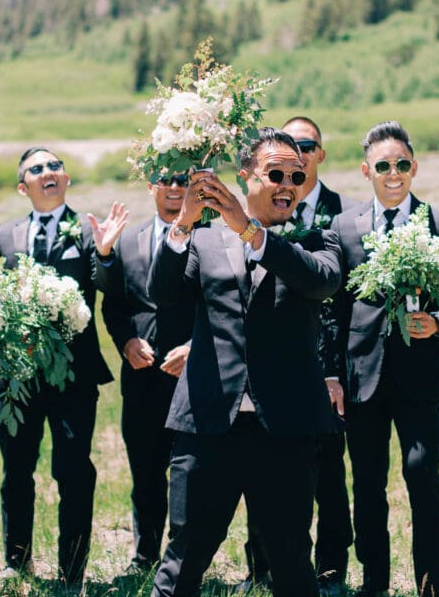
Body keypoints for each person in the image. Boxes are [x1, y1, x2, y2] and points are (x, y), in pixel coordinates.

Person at [149, 128, 343, 597]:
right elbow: (163, 295)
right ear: (245, 176)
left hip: (286, 432)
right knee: (182, 560)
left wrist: (249, 230)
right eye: (275, 173)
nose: (287, 184)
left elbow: (320, 282)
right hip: (208, 426)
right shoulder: (206, 240)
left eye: (296, 175)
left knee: (292, 562)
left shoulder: (319, 239)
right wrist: (182, 224)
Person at [327, 121, 439, 597]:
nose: (394, 174)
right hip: (362, 378)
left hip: (419, 378)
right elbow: (335, 309)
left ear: (415, 167)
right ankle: (375, 584)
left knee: (422, 477)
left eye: (403, 164)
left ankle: (430, 585)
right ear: (366, 170)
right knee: (367, 486)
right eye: (384, 166)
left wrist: (438, 322)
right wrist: (334, 373)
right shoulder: (344, 227)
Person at [0, 147, 125, 591]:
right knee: (15, 471)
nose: (48, 172)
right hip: (17, 377)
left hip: (74, 376)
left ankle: (72, 573)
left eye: (54, 166)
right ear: (22, 186)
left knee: (72, 472)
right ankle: (16, 561)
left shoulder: (89, 231)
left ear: (66, 180)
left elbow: (110, 286)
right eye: (36, 169)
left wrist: (106, 254)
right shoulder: (5, 236)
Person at [238, 115, 359, 596]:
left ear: (319, 155)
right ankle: (262, 567)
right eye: (290, 148)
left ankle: (329, 570)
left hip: (325, 370)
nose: (299, 156)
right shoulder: (255, 208)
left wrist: (333, 370)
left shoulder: (339, 214)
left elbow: (341, 301)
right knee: (263, 472)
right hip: (271, 367)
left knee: (328, 474)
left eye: (307, 146)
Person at [94, 172, 196, 576]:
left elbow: (221, 304)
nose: (173, 188)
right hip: (142, 377)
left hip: (193, 378)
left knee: (190, 476)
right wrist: (127, 342)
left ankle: (185, 558)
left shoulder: (208, 237)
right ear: (150, 187)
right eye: (164, 180)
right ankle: (145, 556)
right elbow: (112, 304)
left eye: (182, 181)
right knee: (145, 472)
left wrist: (195, 348)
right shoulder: (130, 240)